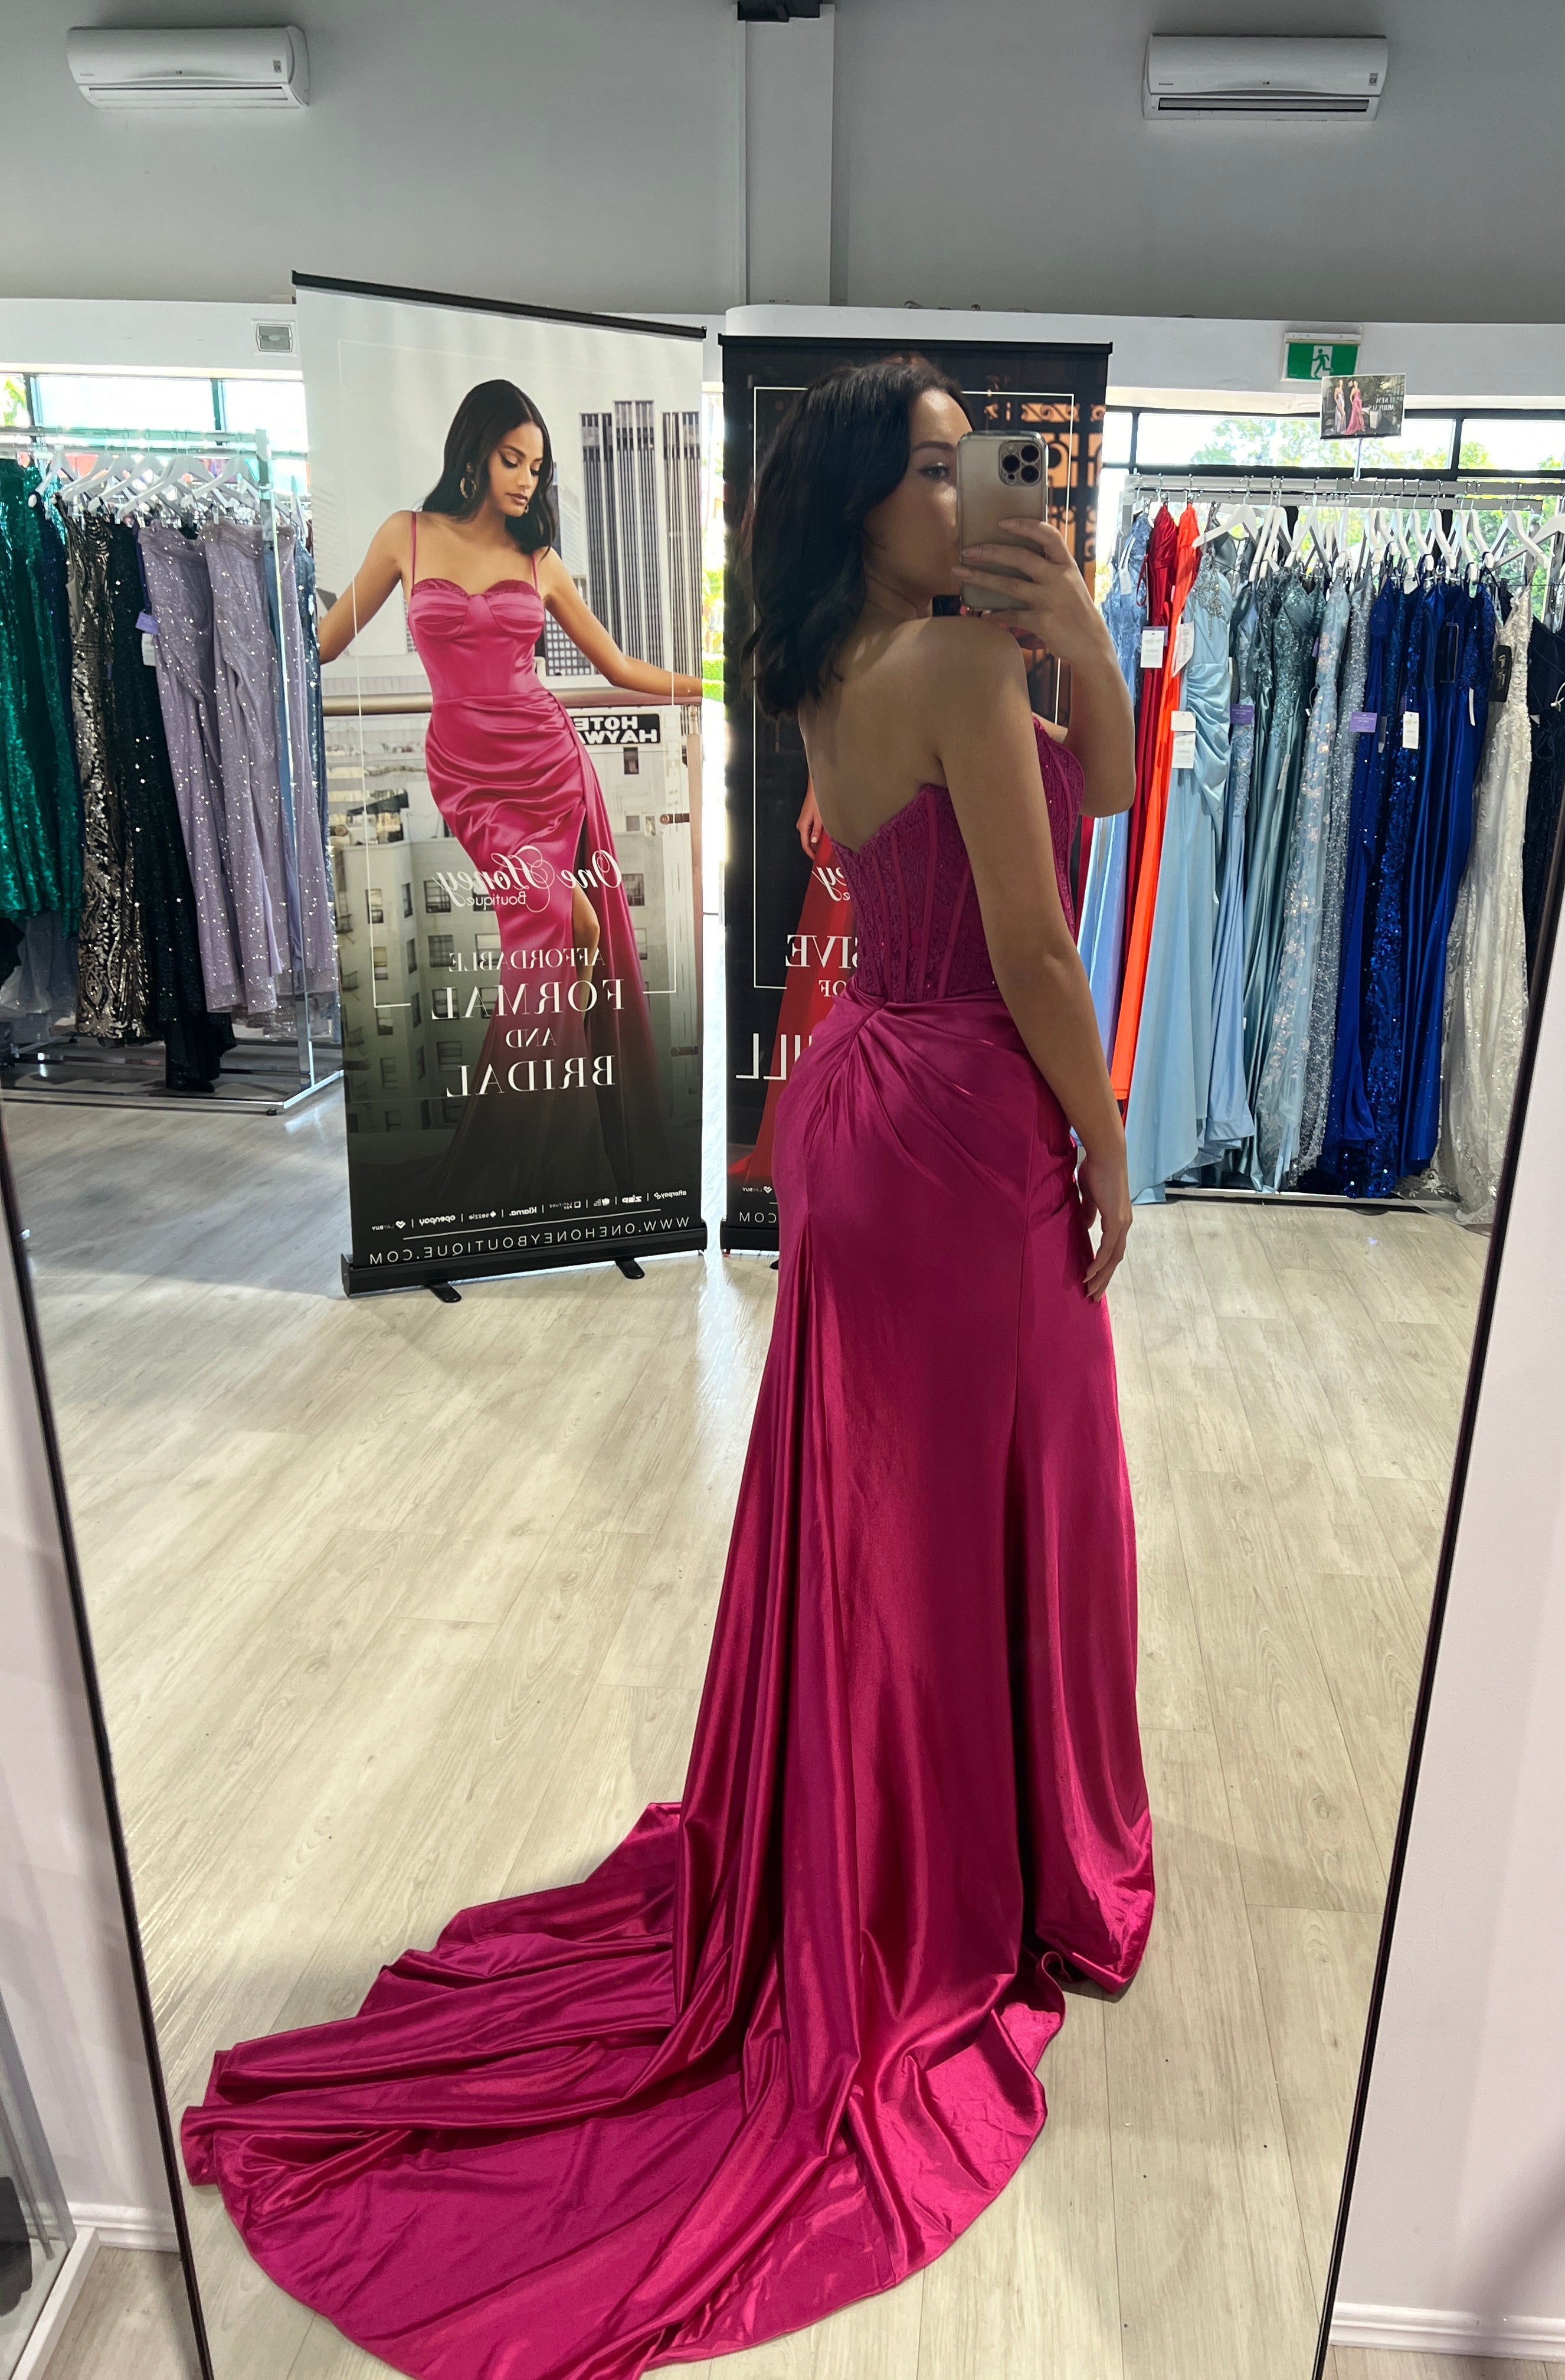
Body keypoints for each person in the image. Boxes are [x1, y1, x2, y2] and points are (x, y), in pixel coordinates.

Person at [180, 355, 1154, 2380]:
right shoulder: (959, 676)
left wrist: (1073, 632)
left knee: (882, 1515)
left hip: (865, 1108)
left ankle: (879, 1837)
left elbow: (1110, 793)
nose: (966, 481)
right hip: (973, 1122)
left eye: (975, 457)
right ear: (865, 498)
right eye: (934, 462)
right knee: (1005, 1496)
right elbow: (1049, 941)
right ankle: (963, 1883)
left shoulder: (849, 654)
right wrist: (1109, 1134)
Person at [317, 379, 698, 1202]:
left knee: (563, 941)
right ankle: (538, 1145)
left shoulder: (540, 562)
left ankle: (561, 1143)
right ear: (474, 453)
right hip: (469, 776)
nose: (525, 478)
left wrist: (715, 686)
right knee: (566, 925)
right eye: (510, 458)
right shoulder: (406, 537)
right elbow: (324, 642)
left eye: (537, 465)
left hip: (551, 764)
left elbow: (619, 668)